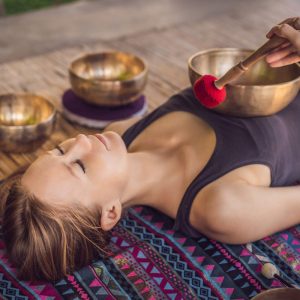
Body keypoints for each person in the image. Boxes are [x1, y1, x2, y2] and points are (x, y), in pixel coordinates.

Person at [0, 17, 300, 282]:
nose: (79, 141)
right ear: (111, 212)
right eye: (80, 166)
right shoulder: (219, 209)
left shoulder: (121, 131)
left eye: (59, 150)